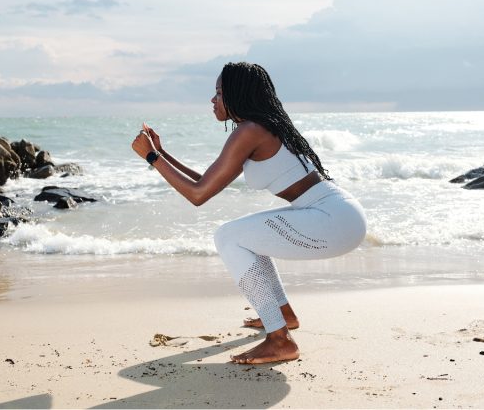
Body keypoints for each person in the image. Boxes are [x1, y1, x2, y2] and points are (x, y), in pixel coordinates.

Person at [131, 62, 366, 364]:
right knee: (248, 237)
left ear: (237, 94)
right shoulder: (259, 126)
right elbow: (206, 182)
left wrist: (150, 157)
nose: (212, 100)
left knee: (228, 237)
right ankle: (283, 315)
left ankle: (280, 340)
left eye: (218, 92)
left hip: (333, 220)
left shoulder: (250, 130)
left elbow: (197, 195)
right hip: (340, 215)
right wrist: (162, 154)